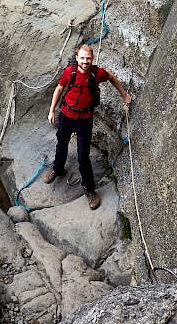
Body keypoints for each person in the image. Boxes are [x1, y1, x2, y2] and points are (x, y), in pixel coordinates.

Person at [45, 44, 132, 210]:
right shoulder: (69, 73)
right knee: (61, 145)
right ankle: (57, 169)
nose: (85, 62)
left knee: (83, 156)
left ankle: (89, 189)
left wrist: (124, 95)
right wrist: (52, 111)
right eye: (82, 58)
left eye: (88, 59)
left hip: (84, 119)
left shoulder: (97, 74)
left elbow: (112, 78)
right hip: (66, 116)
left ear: (92, 59)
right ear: (77, 58)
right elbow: (59, 89)